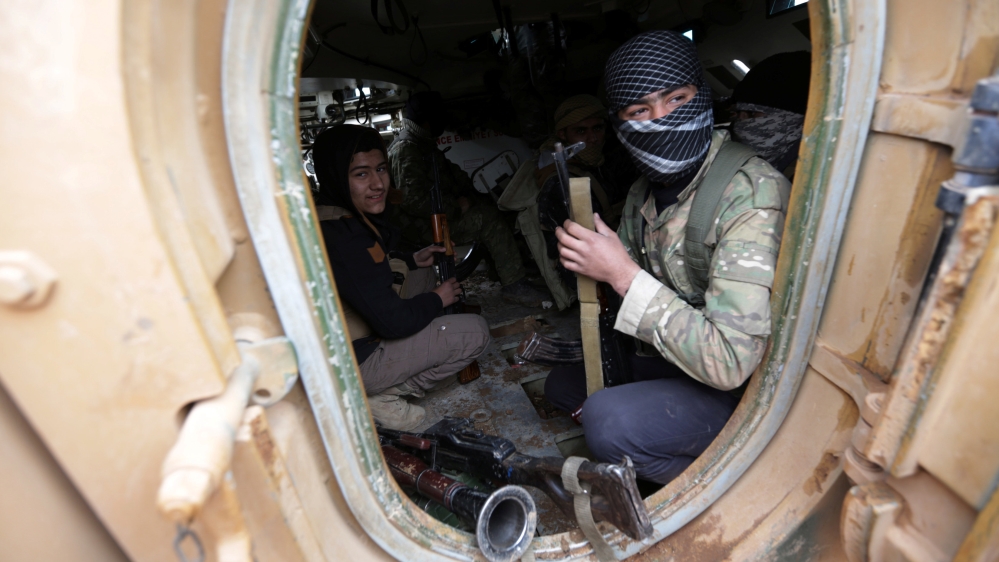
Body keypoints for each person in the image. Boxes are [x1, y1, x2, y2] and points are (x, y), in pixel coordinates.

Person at [544, 31, 791, 484]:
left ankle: (733, 485)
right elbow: (618, 275)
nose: (661, 120)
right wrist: (585, 257)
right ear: (621, 125)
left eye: (676, 98)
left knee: (607, 422)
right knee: (560, 385)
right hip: (675, 355)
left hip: (743, 388)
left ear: (703, 96)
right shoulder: (645, 192)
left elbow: (732, 362)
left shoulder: (749, 193)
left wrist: (619, 273)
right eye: (640, 111)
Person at [312, 124, 491, 431]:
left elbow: (364, 272)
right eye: (361, 174)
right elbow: (392, 322)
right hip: (350, 363)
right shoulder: (346, 238)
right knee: (476, 332)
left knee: (419, 272)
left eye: (380, 169)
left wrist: (411, 258)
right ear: (337, 176)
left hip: (339, 343)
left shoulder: (333, 215)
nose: (378, 183)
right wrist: (438, 298)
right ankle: (380, 397)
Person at [387, 91, 551, 307]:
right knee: (487, 220)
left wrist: (467, 193)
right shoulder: (407, 149)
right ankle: (514, 285)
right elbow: (413, 200)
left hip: (432, 217)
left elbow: (449, 176)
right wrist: (456, 207)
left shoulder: (422, 144)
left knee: (492, 206)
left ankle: (504, 271)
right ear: (428, 120)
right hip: (421, 227)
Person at [497, 94, 637, 310]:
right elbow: (572, 258)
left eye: (597, 129)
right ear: (563, 134)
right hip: (595, 273)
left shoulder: (600, 162)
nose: (592, 138)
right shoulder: (559, 183)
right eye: (581, 131)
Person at [728, 51, 811, 179]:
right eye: (738, 113)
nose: (741, 121)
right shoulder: (727, 155)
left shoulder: (808, 172)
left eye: (752, 114)